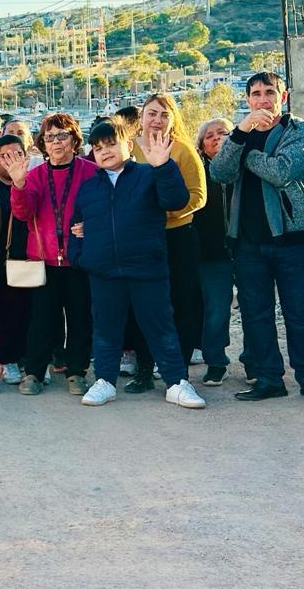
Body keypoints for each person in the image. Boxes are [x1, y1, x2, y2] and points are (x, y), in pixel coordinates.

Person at [211, 72, 304, 403]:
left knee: (298, 314)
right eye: (256, 94)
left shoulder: (300, 131)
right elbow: (219, 172)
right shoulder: (239, 134)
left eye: (269, 93)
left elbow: (282, 171)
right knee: (256, 315)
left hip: (290, 240)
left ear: (283, 96)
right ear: (247, 99)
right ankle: (268, 379)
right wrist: (239, 136)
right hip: (247, 242)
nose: (263, 100)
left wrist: (245, 153)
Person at [74, 119, 207, 410]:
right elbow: (76, 228)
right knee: (106, 330)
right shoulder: (87, 189)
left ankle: (176, 382)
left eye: (110, 144)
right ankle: (105, 381)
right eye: (97, 148)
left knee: (161, 328)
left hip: (147, 269)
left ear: (128, 144)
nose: (104, 151)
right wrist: (83, 257)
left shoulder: (149, 175)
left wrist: (163, 166)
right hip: (104, 273)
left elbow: (177, 199)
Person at [0, 112, 97, 396]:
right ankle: (35, 373)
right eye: (50, 137)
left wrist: (92, 225)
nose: (56, 142)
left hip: (79, 258)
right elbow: (23, 212)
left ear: (74, 140)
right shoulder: (35, 175)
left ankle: (77, 372)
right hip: (44, 259)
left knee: (80, 318)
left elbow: (102, 207)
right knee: (41, 320)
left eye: (62, 135)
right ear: (43, 143)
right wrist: (18, 184)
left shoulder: (90, 171)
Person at [125, 93, 207, 392]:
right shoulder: (129, 148)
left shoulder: (183, 150)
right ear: (142, 116)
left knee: (180, 305)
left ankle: (179, 372)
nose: (157, 120)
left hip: (178, 238)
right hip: (141, 239)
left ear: (172, 119)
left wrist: (164, 212)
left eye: (163, 115)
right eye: (152, 113)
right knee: (143, 306)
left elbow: (199, 196)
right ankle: (144, 370)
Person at [193, 117, 239, 385]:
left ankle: (255, 361)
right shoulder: (197, 171)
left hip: (246, 248)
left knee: (256, 308)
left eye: (223, 133)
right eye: (209, 135)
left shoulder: (244, 167)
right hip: (211, 253)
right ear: (201, 144)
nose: (217, 138)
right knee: (216, 309)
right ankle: (215, 361)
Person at [0, 134, 31, 384]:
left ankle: (29, 358)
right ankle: (7, 360)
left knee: (29, 311)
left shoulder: (32, 182)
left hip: (29, 259)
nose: (10, 160)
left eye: (17, 154)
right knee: (1, 313)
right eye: (4, 155)